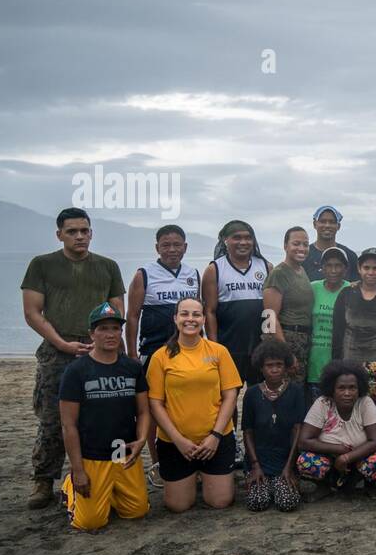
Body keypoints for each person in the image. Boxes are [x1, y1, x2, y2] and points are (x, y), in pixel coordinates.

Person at [21, 207, 126, 508]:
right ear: (60, 235)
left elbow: (116, 312)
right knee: (53, 418)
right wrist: (62, 343)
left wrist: (104, 345)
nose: (80, 236)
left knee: (104, 417)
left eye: (84, 230)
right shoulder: (42, 265)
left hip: (99, 351)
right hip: (57, 353)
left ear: (91, 233)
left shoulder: (107, 267)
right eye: (72, 231)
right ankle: (44, 480)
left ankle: (108, 473)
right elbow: (32, 312)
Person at [146, 297, 242, 511]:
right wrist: (178, 440)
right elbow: (155, 403)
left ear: (203, 319)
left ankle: (206, 475)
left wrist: (216, 436)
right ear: (175, 318)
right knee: (178, 505)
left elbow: (230, 396)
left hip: (215, 440)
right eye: (185, 314)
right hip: (175, 443)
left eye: (196, 314)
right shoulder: (160, 356)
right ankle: (191, 476)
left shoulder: (218, 352)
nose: (190, 319)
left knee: (220, 501)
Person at [58, 302, 149, 530]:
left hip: (122, 451)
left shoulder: (132, 368)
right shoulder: (76, 371)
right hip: (92, 455)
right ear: (92, 333)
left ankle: (108, 492)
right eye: (103, 328)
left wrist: (141, 440)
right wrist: (78, 470)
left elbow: (144, 411)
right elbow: (69, 425)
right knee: (90, 523)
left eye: (115, 329)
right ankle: (69, 486)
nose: (110, 334)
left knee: (137, 511)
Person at [296, 360, 376, 498]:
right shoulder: (323, 403)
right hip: (329, 459)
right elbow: (304, 441)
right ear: (332, 389)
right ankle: (324, 486)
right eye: (341, 388)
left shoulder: (365, 402)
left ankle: (369, 484)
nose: (347, 393)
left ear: (359, 388)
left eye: (352, 388)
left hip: (359, 457)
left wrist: (347, 457)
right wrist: (338, 449)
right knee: (305, 461)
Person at [203, 219, 269, 388]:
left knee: (260, 394)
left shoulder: (266, 267)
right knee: (228, 394)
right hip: (229, 347)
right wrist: (214, 347)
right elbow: (209, 311)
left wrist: (271, 343)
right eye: (236, 237)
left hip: (259, 346)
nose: (243, 242)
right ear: (225, 241)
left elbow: (272, 310)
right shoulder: (215, 269)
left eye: (248, 238)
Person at [241, 340, 306, 512]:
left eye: (279, 364)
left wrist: (289, 468)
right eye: (269, 365)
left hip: (284, 459)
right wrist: (255, 466)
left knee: (287, 502)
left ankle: (278, 484)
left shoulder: (296, 391)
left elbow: (298, 429)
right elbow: (247, 432)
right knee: (257, 502)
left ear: (286, 366)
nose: (275, 369)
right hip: (259, 460)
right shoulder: (252, 394)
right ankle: (266, 484)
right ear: (261, 368)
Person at [125, 224, 201, 366]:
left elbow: (198, 312)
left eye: (177, 245)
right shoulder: (144, 274)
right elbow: (133, 315)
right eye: (166, 245)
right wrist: (132, 353)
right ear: (157, 248)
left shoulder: (193, 274)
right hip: (153, 347)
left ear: (185, 247)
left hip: (188, 347)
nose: (172, 250)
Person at [331, 248, 376, 400]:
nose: (371, 272)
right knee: (349, 404)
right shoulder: (346, 294)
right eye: (366, 268)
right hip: (349, 363)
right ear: (359, 269)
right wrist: (336, 366)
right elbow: (337, 333)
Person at [262, 226, 315, 381]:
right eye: (296, 243)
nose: (302, 248)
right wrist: (287, 354)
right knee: (286, 392)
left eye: (305, 244)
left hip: (303, 340)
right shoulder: (279, 273)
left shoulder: (301, 270)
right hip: (286, 340)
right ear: (285, 246)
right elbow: (269, 319)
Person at [306, 247, 353, 398]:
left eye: (338, 265)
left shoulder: (352, 290)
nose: (333, 270)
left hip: (342, 358)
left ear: (345, 269)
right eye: (328, 265)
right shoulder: (313, 288)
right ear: (322, 268)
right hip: (316, 360)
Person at [304, 205, 357, 281]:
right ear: (315, 224)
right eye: (323, 221)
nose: (327, 225)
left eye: (332, 222)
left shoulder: (350, 256)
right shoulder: (305, 255)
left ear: (338, 226)